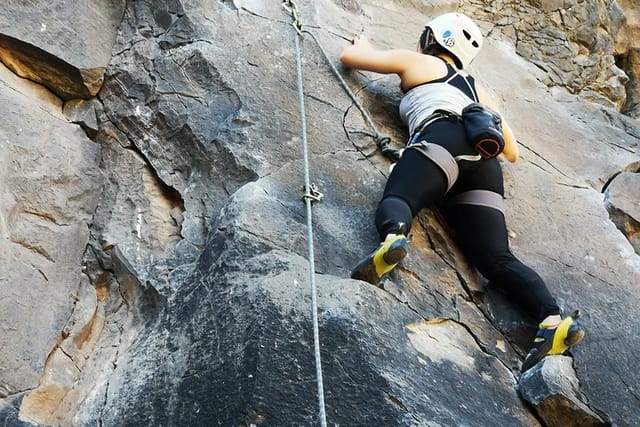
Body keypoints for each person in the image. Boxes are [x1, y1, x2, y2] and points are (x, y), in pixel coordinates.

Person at [339, 12, 584, 372]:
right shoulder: (479, 91)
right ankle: (551, 321)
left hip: (441, 140)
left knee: (402, 197)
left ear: (433, 39)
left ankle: (393, 239)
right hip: (484, 163)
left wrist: (362, 46)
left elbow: (351, 59)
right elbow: (512, 153)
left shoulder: (418, 61)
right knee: (497, 259)